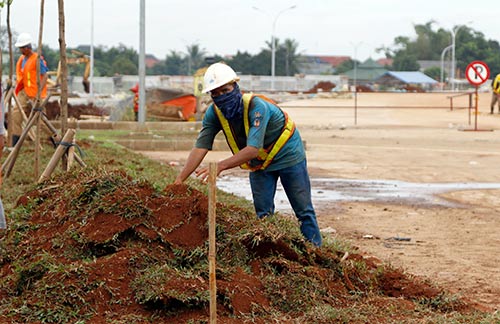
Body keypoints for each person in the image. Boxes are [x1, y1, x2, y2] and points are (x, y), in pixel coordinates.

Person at [174, 62, 322, 247]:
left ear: (236, 86)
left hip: (288, 155)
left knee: (303, 210)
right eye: (215, 93)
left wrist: (220, 166)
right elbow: (201, 147)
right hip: (260, 163)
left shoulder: (257, 106)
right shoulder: (214, 113)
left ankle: (315, 250)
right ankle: (271, 252)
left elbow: (252, 148)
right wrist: (180, 180)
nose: (221, 96)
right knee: (263, 212)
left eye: (225, 90)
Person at [12, 32, 50, 146]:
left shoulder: (37, 59)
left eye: (21, 48)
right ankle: (15, 144)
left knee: (40, 119)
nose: (20, 50)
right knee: (15, 115)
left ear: (28, 48)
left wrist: (39, 93)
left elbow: (46, 75)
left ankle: (55, 139)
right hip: (23, 92)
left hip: (35, 93)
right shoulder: (21, 59)